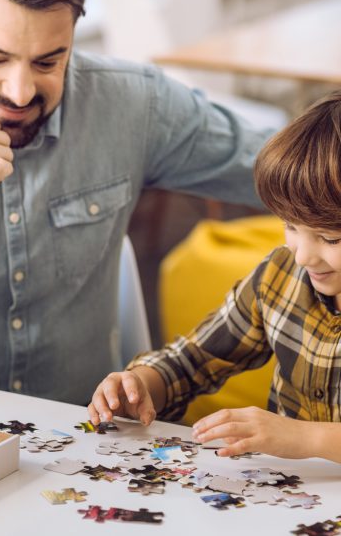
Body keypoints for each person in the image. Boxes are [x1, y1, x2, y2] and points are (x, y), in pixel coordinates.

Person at [0, 0, 273, 405]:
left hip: (84, 436)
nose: (19, 93)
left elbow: (285, 166)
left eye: (47, 62)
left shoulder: (133, 103)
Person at [89, 92, 341, 464]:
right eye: (290, 226)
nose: (302, 255)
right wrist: (141, 384)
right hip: (291, 505)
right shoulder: (280, 276)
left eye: (330, 238)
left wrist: (308, 439)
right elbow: (191, 361)